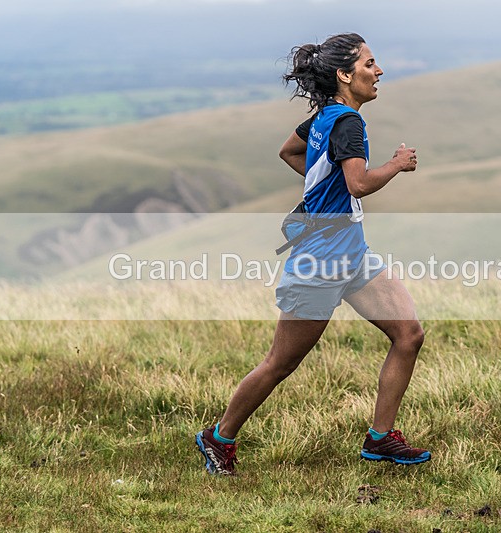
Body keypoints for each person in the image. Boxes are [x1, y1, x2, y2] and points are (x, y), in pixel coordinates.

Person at [195, 33, 429, 475]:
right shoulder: (348, 124)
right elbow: (359, 184)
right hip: (320, 262)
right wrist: (397, 164)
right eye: (369, 64)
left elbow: (289, 152)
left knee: (409, 334)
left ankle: (380, 439)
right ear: (344, 75)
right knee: (279, 364)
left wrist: (325, 186)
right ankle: (218, 437)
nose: (378, 72)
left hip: (353, 256)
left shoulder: (325, 117)